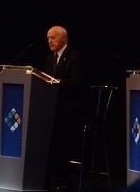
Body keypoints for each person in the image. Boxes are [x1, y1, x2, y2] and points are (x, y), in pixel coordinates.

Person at [44, 26, 85, 190]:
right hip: (50, 109)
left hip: (70, 109)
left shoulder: (76, 56)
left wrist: (57, 83)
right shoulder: (49, 59)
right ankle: (47, 181)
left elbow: (77, 83)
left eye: (53, 38)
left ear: (64, 39)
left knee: (60, 145)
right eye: (48, 38)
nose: (49, 41)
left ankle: (63, 182)